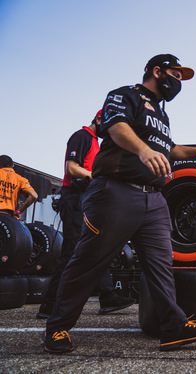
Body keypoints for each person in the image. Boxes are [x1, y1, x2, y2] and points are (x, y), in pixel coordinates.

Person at [43, 54, 196, 353]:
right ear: (157, 71)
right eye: (176, 75)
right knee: (87, 262)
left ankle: (173, 328)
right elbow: (116, 128)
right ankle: (57, 328)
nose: (178, 82)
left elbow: (170, 148)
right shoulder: (124, 95)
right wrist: (142, 150)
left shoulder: (162, 115)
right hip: (115, 193)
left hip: (153, 199)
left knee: (161, 265)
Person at [37, 111, 136, 320]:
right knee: (73, 251)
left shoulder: (96, 143)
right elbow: (71, 168)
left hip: (86, 199)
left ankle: (108, 297)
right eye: (107, 126)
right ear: (99, 120)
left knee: (97, 246)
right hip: (73, 198)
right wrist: (95, 176)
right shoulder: (81, 136)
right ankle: (49, 305)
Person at [0, 155, 38, 219]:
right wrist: (19, 211)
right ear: (12, 166)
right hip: (9, 217)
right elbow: (34, 195)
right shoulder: (20, 179)